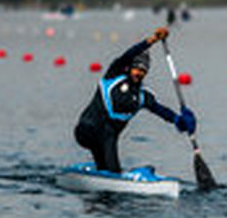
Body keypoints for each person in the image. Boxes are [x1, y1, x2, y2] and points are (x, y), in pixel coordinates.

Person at [74, 27, 196, 174]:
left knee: (109, 166)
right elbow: (127, 56)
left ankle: (106, 175)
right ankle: (108, 172)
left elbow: (162, 111)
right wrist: (151, 41)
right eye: (137, 68)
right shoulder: (113, 76)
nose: (139, 73)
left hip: (108, 138)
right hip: (87, 130)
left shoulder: (143, 96)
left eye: (143, 70)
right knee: (105, 139)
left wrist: (180, 121)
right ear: (130, 67)